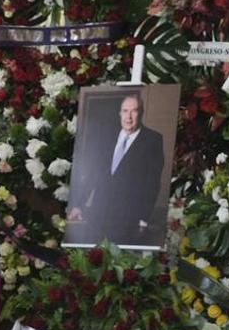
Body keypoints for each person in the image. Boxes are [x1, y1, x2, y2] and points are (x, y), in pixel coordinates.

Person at [67, 93, 165, 246]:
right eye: (125, 111)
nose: (129, 116)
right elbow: (93, 173)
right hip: (97, 214)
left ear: (141, 113)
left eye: (134, 111)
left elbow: (152, 183)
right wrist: (79, 204)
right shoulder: (107, 136)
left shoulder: (153, 140)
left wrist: (143, 218)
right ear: (120, 113)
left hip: (128, 221)